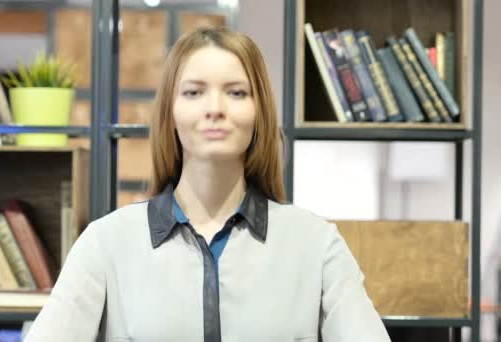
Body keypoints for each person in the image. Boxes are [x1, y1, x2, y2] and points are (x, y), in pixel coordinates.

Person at [25, 27, 390, 341]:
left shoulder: (316, 244)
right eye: (194, 92)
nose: (214, 108)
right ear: (170, 112)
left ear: (259, 113)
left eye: (236, 93)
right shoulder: (105, 244)